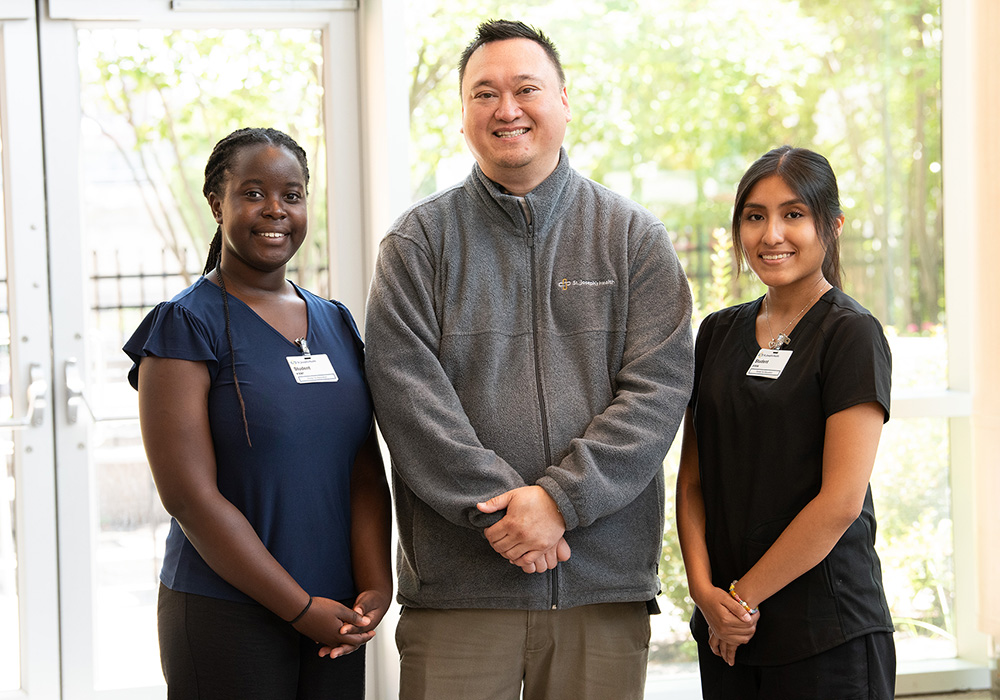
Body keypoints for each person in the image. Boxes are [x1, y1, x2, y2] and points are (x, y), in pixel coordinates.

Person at [364, 19, 694, 700]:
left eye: (525, 88)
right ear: (462, 118)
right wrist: (509, 518)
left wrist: (559, 503)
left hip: (599, 586)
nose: (506, 109)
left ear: (564, 102)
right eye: (484, 94)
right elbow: (407, 395)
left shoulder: (634, 239)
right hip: (460, 590)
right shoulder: (417, 244)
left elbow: (656, 394)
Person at [123, 127, 392, 700]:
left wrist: (376, 584)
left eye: (292, 195)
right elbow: (189, 498)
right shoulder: (183, 325)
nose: (275, 210)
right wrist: (297, 608)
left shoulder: (337, 322)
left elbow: (363, 469)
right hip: (227, 612)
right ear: (217, 203)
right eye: (253, 193)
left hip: (336, 613)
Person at [676, 145, 896, 699]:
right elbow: (694, 480)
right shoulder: (717, 334)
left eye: (793, 214)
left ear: (832, 225)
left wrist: (743, 598)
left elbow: (840, 502)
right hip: (730, 632)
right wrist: (704, 593)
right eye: (755, 216)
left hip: (826, 629)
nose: (771, 234)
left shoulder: (850, 334)